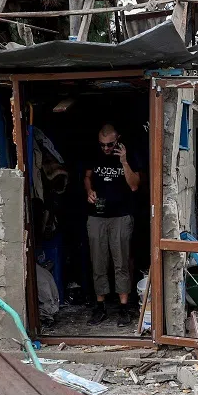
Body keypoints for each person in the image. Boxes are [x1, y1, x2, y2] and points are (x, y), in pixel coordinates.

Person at [85, 123, 141, 325]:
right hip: (97, 216)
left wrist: (124, 161)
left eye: (109, 145)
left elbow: (134, 185)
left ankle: (124, 307)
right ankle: (100, 306)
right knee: (98, 261)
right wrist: (89, 191)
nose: (106, 149)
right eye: (102, 145)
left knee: (121, 262)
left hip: (121, 216)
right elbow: (87, 176)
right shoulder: (95, 153)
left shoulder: (129, 154)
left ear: (118, 139)